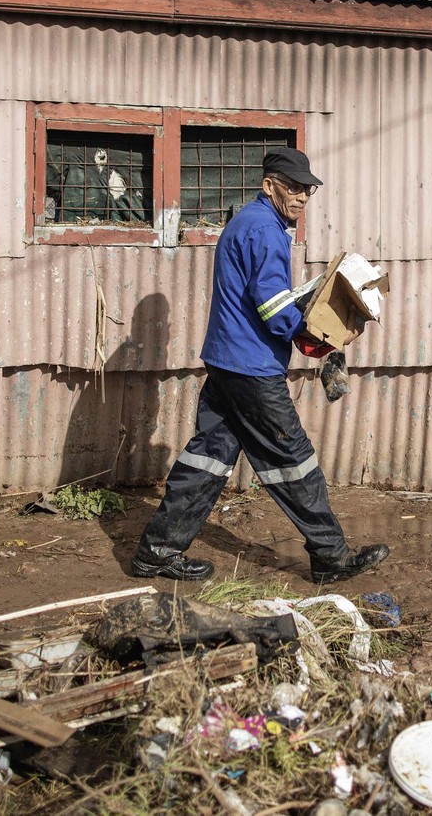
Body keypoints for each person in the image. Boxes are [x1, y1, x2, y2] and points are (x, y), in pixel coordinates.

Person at [130, 148, 389, 584]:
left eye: (308, 188)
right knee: (293, 459)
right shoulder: (266, 231)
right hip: (251, 367)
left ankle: (157, 552)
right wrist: (314, 334)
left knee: (208, 457)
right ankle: (330, 556)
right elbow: (271, 306)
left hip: (228, 360)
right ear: (269, 185)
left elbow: (261, 297)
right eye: (294, 187)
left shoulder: (250, 223)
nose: (303, 196)